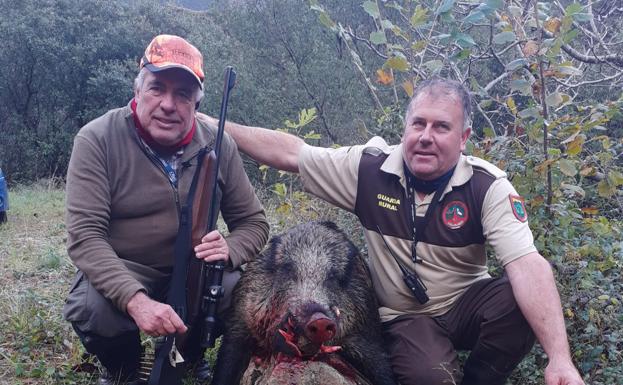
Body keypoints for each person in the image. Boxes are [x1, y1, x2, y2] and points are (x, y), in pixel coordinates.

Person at [210, 78, 585, 385]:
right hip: (409, 316)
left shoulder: (487, 186)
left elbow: (528, 266)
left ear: (464, 136)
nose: (426, 136)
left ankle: (481, 379)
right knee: (431, 378)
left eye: (441, 127)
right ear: (404, 128)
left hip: (467, 302)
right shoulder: (370, 171)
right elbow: (292, 153)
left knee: (516, 301)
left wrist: (560, 359)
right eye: (418, 123)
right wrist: (212, 124)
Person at [63, 34, 269, 385]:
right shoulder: (96, 139)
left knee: (243, 290)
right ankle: (123, 367)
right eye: (157, 88)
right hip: (128, 266)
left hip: (196, 271)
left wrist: (229, 249)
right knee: (92, 307)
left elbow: (254, 223)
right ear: (138, 88)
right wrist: (135, 299)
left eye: (183, 95)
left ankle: (191, 355)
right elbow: (85, 237)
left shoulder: (219, 145)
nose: (168, 105)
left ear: (196, 103)